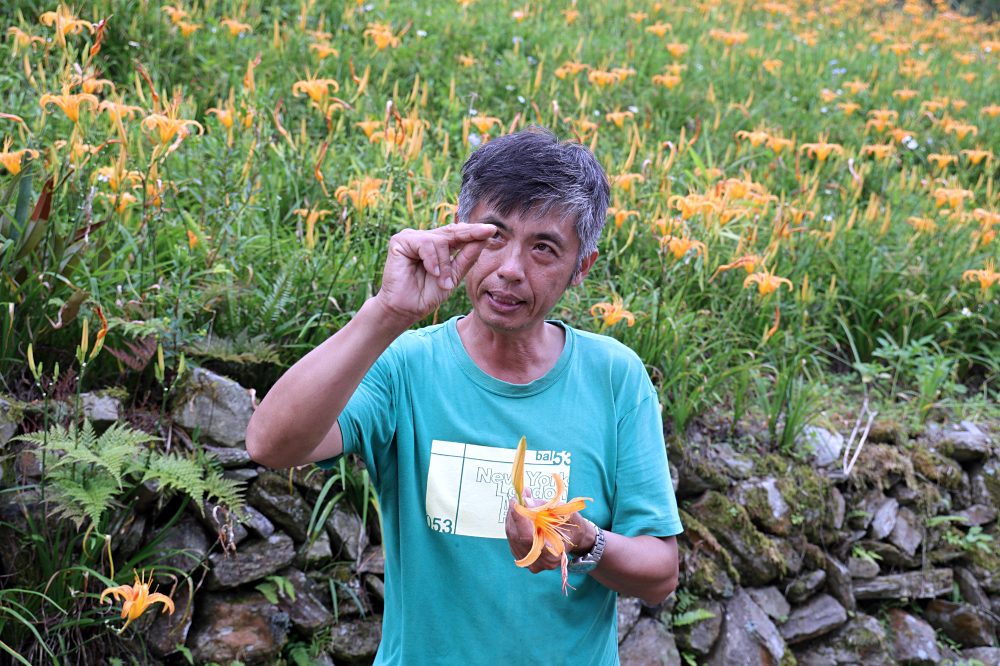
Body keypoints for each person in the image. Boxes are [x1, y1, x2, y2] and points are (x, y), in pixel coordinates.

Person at [246, 127, 682, 664]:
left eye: (544, 248)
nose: (510, 269)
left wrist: (581, 540)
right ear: (458, 232)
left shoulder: (615, 378)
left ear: (580, 269)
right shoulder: (407, 366)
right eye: (494, 235)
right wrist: (387, 312)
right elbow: (270, 443)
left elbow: (660, 573)